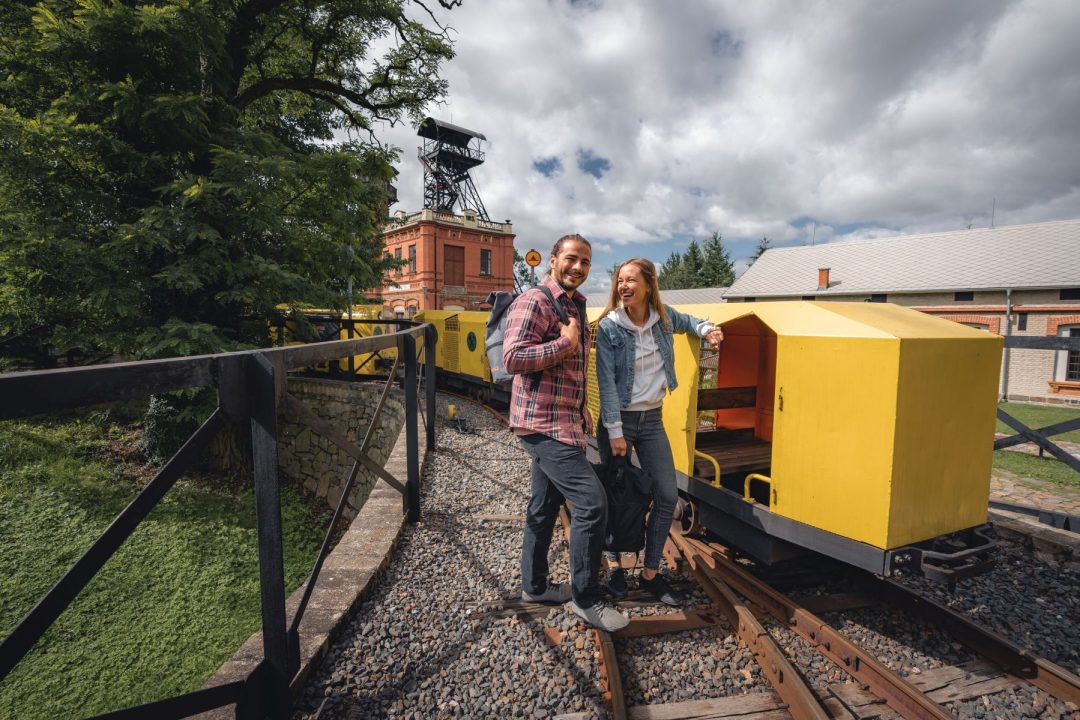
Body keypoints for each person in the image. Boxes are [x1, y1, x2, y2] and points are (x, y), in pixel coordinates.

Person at [503, 234, 630, 633]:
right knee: (592, 505)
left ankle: (535, 587)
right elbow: (513, 358)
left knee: (542, 508)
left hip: (563, 422)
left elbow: (571, 373)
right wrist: (564, 342)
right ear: (554, 260)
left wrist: (583, 412)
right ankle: (586, 598)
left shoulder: (575, 304)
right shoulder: (535, 301)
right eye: (572, 259)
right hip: (542, 425)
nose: (578, 267)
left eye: (586, 262)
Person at [594, 258, 724, 606]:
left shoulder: (663, 319)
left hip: (652, 421)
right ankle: (615, 567)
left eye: (631, 279)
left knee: (666, 495)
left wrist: (708, 328)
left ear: (648, 285)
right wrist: (616, 431)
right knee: (615, 497)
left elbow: (691, 322)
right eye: (620, 280)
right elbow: (606, 384)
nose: (623, 285)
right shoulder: (609, 328)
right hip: (616, 422)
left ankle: (651, 572)